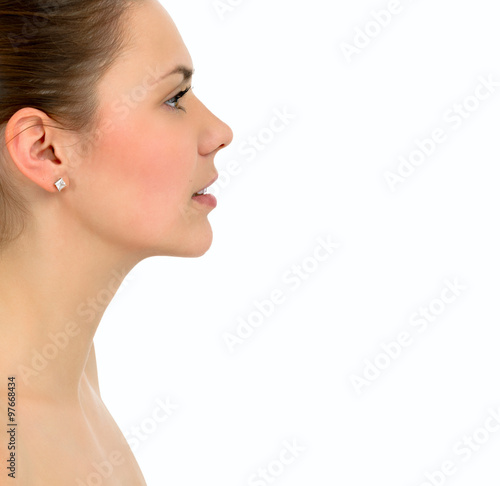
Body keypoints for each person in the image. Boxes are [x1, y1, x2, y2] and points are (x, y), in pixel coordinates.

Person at [0, 0, 233, 483]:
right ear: (46, 150)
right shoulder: (12, 438)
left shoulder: (72, 371)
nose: (219, 132)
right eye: (175, 98)